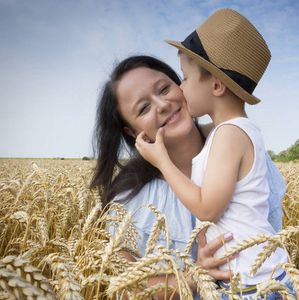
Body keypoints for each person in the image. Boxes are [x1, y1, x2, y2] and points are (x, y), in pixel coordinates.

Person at [91, 54, 286, 299]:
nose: (161, 105)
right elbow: (125, 283)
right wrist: (193, 276)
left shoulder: (238, 145)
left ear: (183, 85)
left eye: (164, 89)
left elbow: (269, 237)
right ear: (133, 132)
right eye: (143, 108)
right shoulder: (128, 200)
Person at [135, 9, 295, 299]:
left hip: (253, 287)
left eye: (184, 78)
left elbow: (207, 209)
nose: (181, 89)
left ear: (217, 86)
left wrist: (162, 161)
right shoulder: (231, 132)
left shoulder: (228, 135)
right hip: (249, 281)